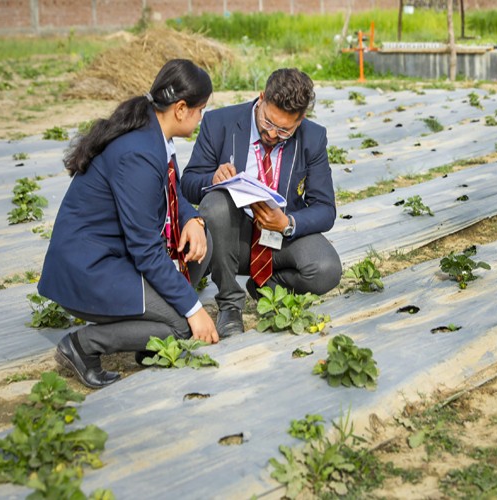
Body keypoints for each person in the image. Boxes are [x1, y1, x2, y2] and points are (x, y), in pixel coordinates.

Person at [38, 59, 218, 389]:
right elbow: (146, 250)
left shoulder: (155, 133)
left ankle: (146, 340)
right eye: (200, 109)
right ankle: (82, 346)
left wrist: (192, 218)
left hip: (116, 257)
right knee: (181, 324)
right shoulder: (137, 153)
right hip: (90, 268)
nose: (201, 117)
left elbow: (172, 187)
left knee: (202, 244)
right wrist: (194, 309)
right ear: (180, 109)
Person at [181, 68, 341, 338]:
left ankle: (267, 288)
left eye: (284, 130)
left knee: (327, 269)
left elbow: (325, 208)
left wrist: (288, 223)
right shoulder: (220, 123)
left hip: (277, 237)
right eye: (268, 122)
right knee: (217, 203)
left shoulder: (313, 138)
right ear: (262, 97)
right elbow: (188, 183)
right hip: (228, 238)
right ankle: (230, 303)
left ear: (300, 120)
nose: (272, 134)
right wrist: (213, 177)